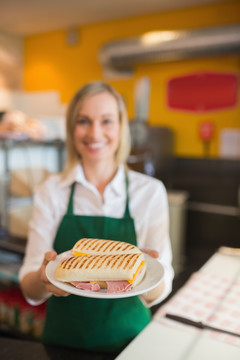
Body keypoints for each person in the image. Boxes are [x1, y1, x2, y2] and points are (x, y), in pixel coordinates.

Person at [19, 81, 174, 353]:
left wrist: (148, 273)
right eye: (84, 121)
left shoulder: (149, 192)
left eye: (106, 121)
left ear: (121, 127)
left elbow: (162, 284)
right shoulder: (51, 191)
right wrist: (44, 278)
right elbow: (30, 287)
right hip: (64, 343)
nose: (95, 132)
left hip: (132, 342)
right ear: (71, 128)